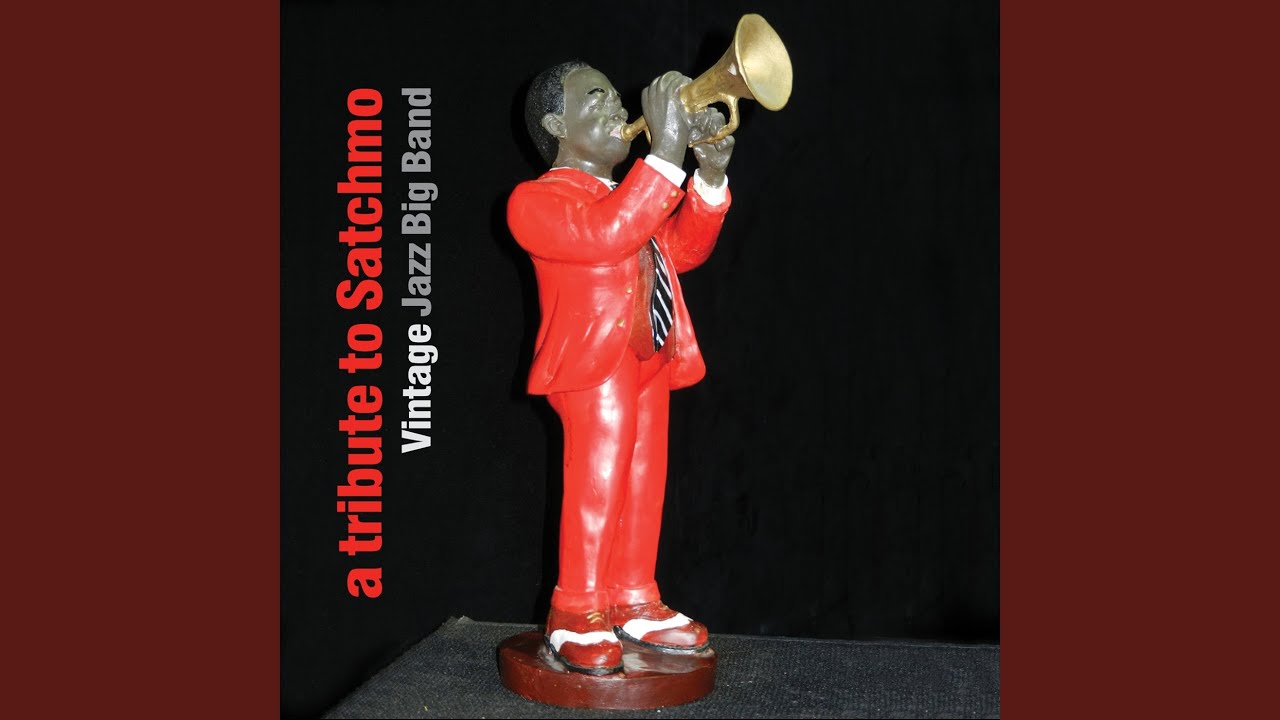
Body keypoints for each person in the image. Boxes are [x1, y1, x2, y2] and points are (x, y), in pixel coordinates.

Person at [508, 60, 735, 675]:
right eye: (596, 97)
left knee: (643, 478)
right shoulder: (535, 200)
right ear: (556, 125)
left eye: (614, 95)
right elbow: (607, 234)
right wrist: (664, 156)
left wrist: (709, 178)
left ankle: (634, 596)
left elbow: (680, 250)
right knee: (598, 479)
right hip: (593, 363)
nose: (617, 105)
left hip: (650, 350)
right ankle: (575, 609)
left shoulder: (633, 195)